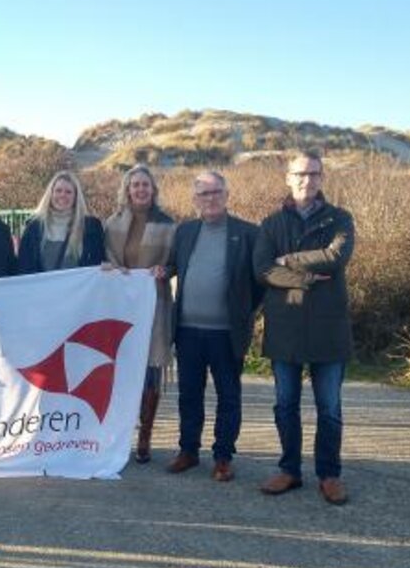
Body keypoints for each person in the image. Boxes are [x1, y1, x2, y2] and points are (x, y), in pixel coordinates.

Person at [253, 149, 355, 505]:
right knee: (285, 405)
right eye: (300, 173)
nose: (306, 180)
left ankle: (329, 475)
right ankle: (289, 471)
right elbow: (263, 270)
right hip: (286, 327)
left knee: (329, 408)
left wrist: (290, 260)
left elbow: (336, 257)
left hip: (329, 327)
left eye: (313, 174)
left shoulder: (340, 219)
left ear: (322, 178)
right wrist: (308, 278)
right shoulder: (270, 224)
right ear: (288, 177)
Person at [165, 171, 263, 480]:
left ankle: (223, 456)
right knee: (189, 394)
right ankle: (188, 451)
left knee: (228, 395)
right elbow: (171, 266)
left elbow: (259, 282)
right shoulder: (185, 231)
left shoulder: (248, 233)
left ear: (227, 194)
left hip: (227, 333)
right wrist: (156, 271)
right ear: (194, 199)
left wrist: (244, 312)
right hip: (187, 330)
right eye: (203, 194)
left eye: (216, 192)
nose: (210, 199)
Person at [103, 164, 175, 464]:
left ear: (153, 189)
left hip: (153, 303)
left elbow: (176, 261)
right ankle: (116, 433)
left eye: (146, 184)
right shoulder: (113, 222)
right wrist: (110, 267)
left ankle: (144, 434)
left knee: (150, 372)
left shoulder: (167, 223)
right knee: (117, 369)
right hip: (120, 305)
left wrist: (165, 270)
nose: (141, 189)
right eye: (136, 185)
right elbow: (105, 256)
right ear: (128, 189)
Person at [17, 170, 106, 274]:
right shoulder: (33, 226)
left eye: (68, 192)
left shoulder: (91, 227)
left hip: (79, 290)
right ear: (51, 194)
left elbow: (99, 262)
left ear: (76, 197)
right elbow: (24, 266)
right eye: (58, 190)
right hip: (43, 290)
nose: (62, 195)